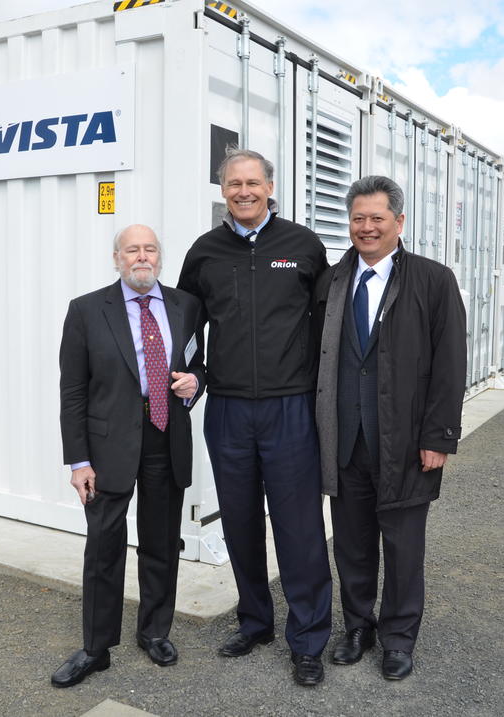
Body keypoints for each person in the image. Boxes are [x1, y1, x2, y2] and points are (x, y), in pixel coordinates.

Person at [177, 148, 332, 687]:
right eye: (233, 183)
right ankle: (256, 622)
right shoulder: (204, 252)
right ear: (222, 190)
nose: (243, 191)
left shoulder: (303, 246)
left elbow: (326, 326)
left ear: (270, 186)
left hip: (291, 408)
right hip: (230, 409)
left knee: (299, 528)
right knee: (240, 522)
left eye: (252, 182)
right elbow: (187, 329)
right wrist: (193, 375)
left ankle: (308, 640)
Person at [314, 175, 467, 680]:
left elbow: (449, 364)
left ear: (399, 222)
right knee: (352, 543)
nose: (367, 227)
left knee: (403, 548)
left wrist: (438, 438)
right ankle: (359, 626)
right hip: (345, 440)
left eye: (377, 218)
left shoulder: (432, 280)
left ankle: (399, 638)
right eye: (358, 218)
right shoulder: (333, 281)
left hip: (404, 443)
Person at [52, 224, 205, 688]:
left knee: (161, 542)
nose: (142, 257)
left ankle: (155, 631)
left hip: (165, 434)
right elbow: (73, 391)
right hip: (108, 445)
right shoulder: (86, 310)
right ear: (116, 258)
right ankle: (96, 648)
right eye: (132, 250)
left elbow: (198, 363)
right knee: (104, 547)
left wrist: (195, 384)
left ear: (160, 257)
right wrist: (79, 461)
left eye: (150, 249)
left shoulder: (186, 306)